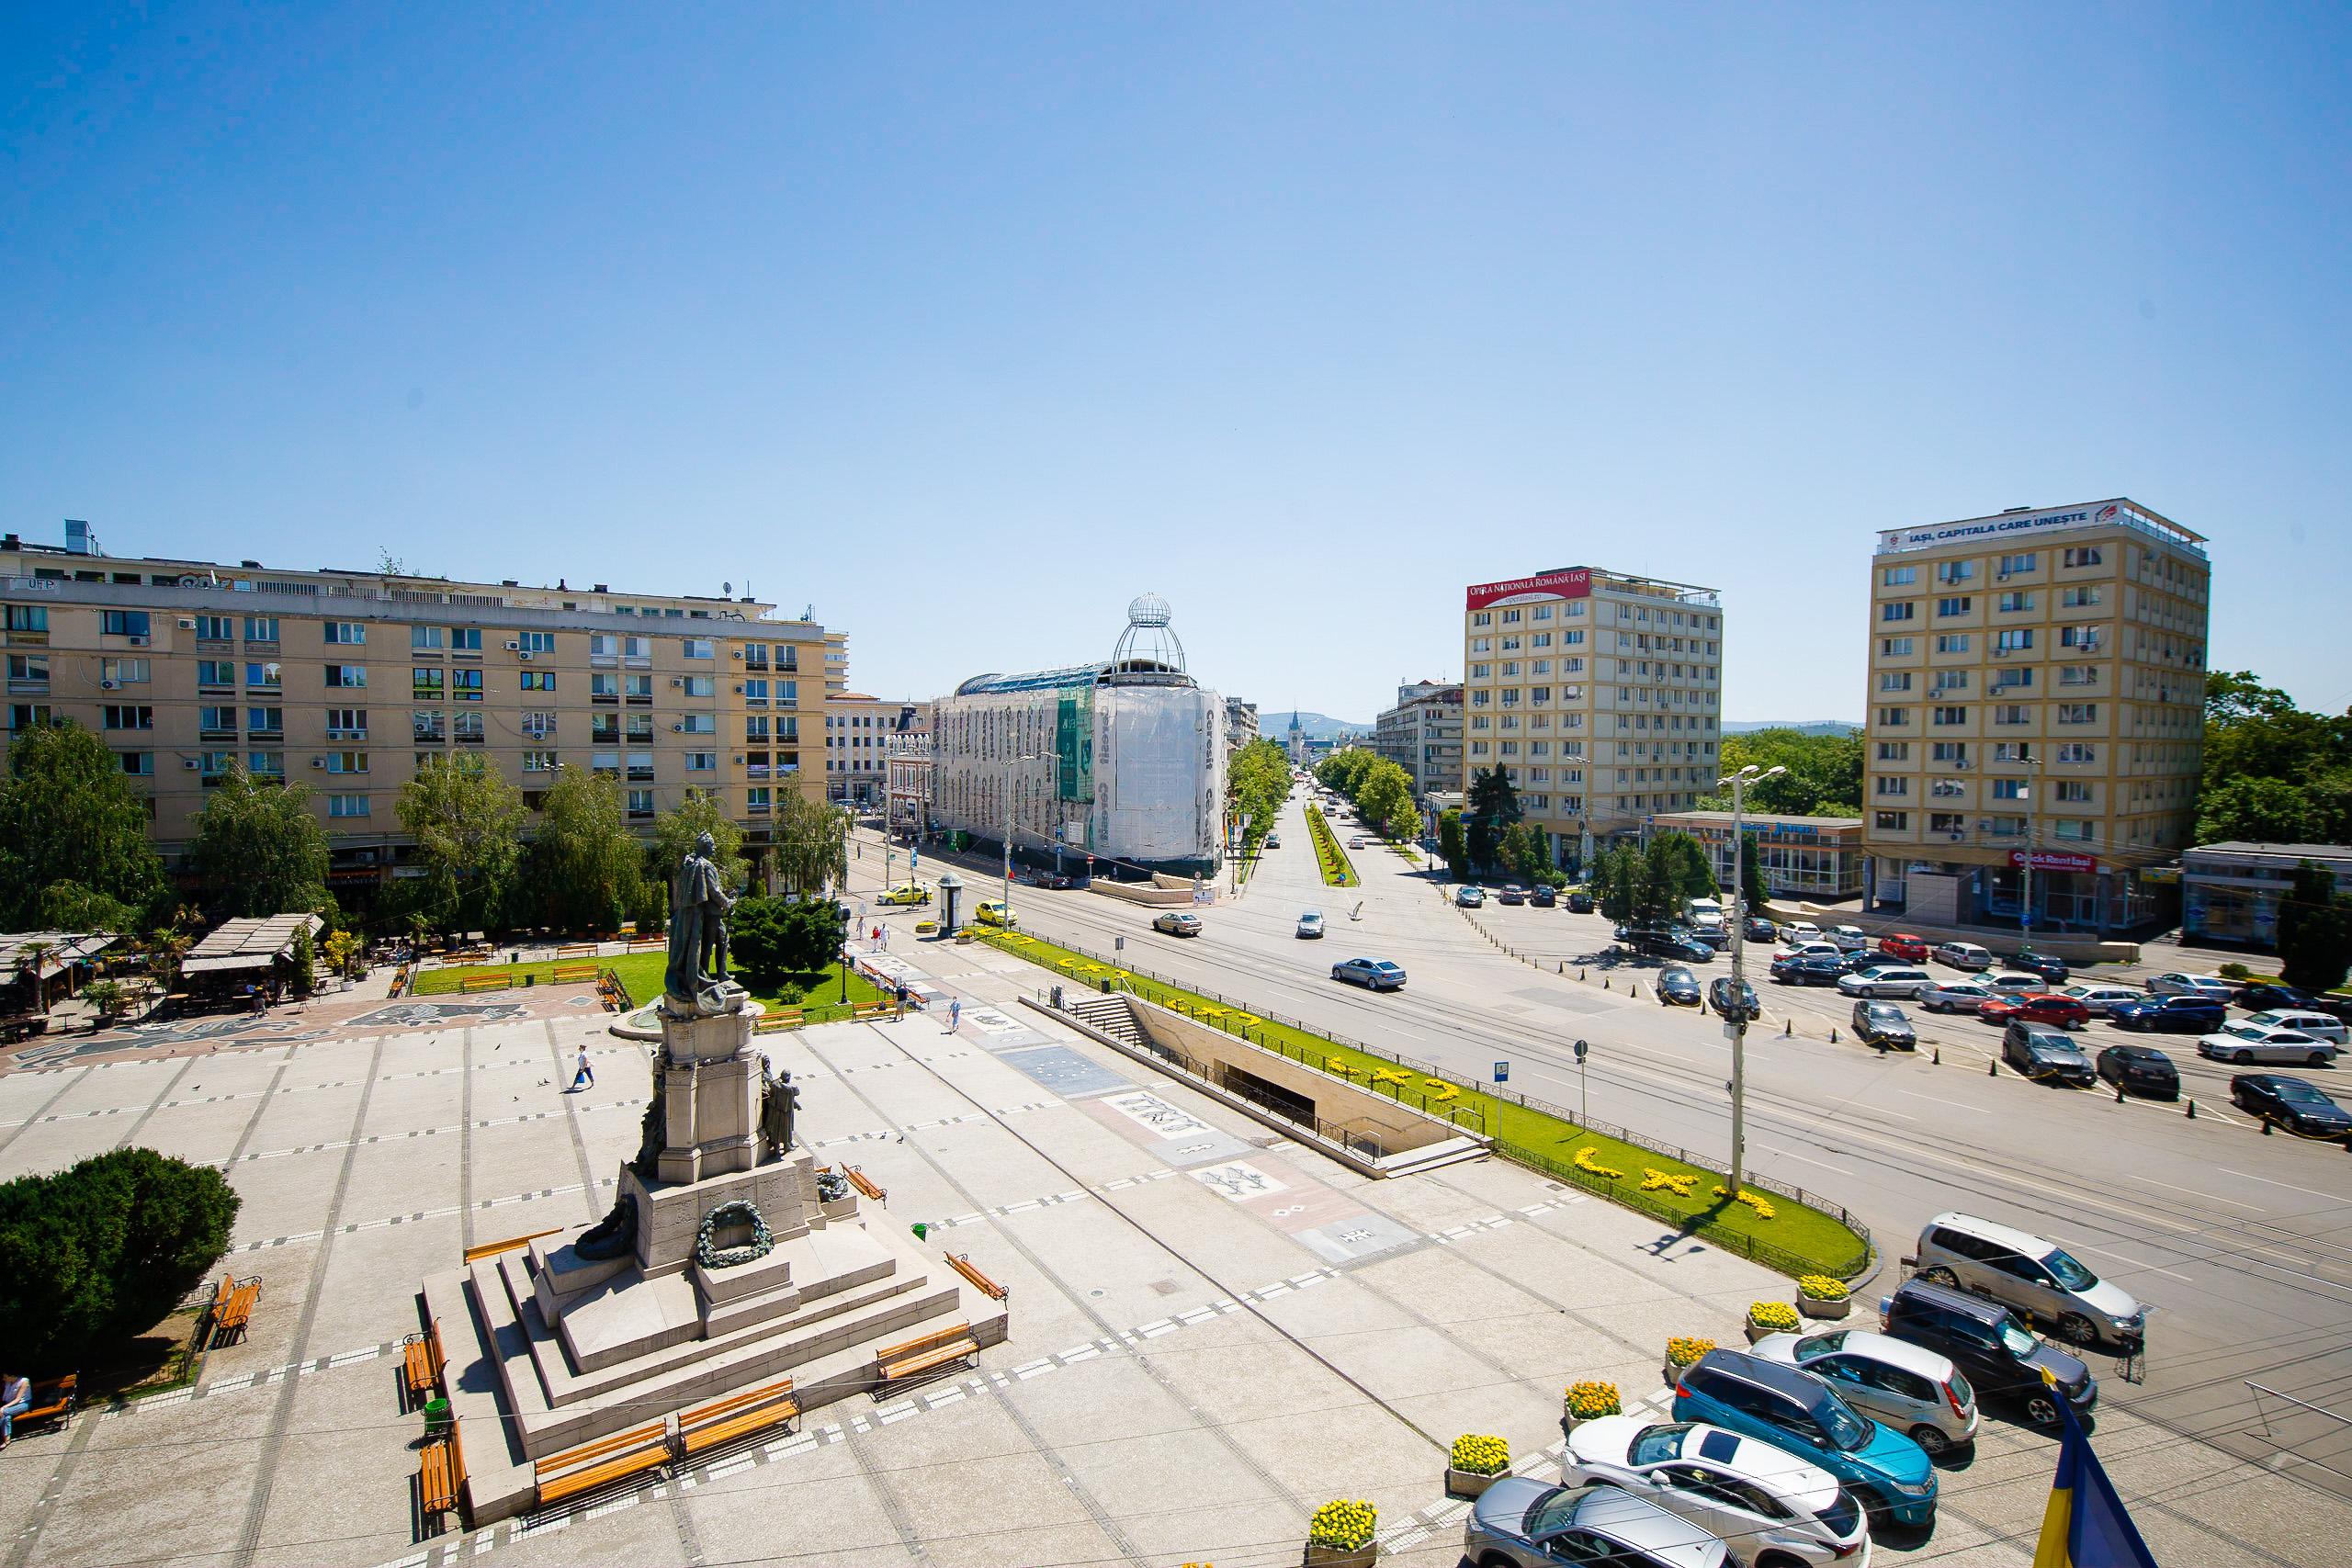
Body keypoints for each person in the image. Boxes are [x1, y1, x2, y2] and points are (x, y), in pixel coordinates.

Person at [0, 1371, 29, 1448]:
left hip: (23, 1404)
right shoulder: (8, 1383)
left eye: (5, 1377)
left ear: (12, 1376)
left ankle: (5, 1439)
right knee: (6, 1417)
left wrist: (3, 1407)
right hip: (12, 1405)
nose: (3, 1379)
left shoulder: (24, 1381)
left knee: (3, 1412)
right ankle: (7, 1439)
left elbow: (18, 1399)